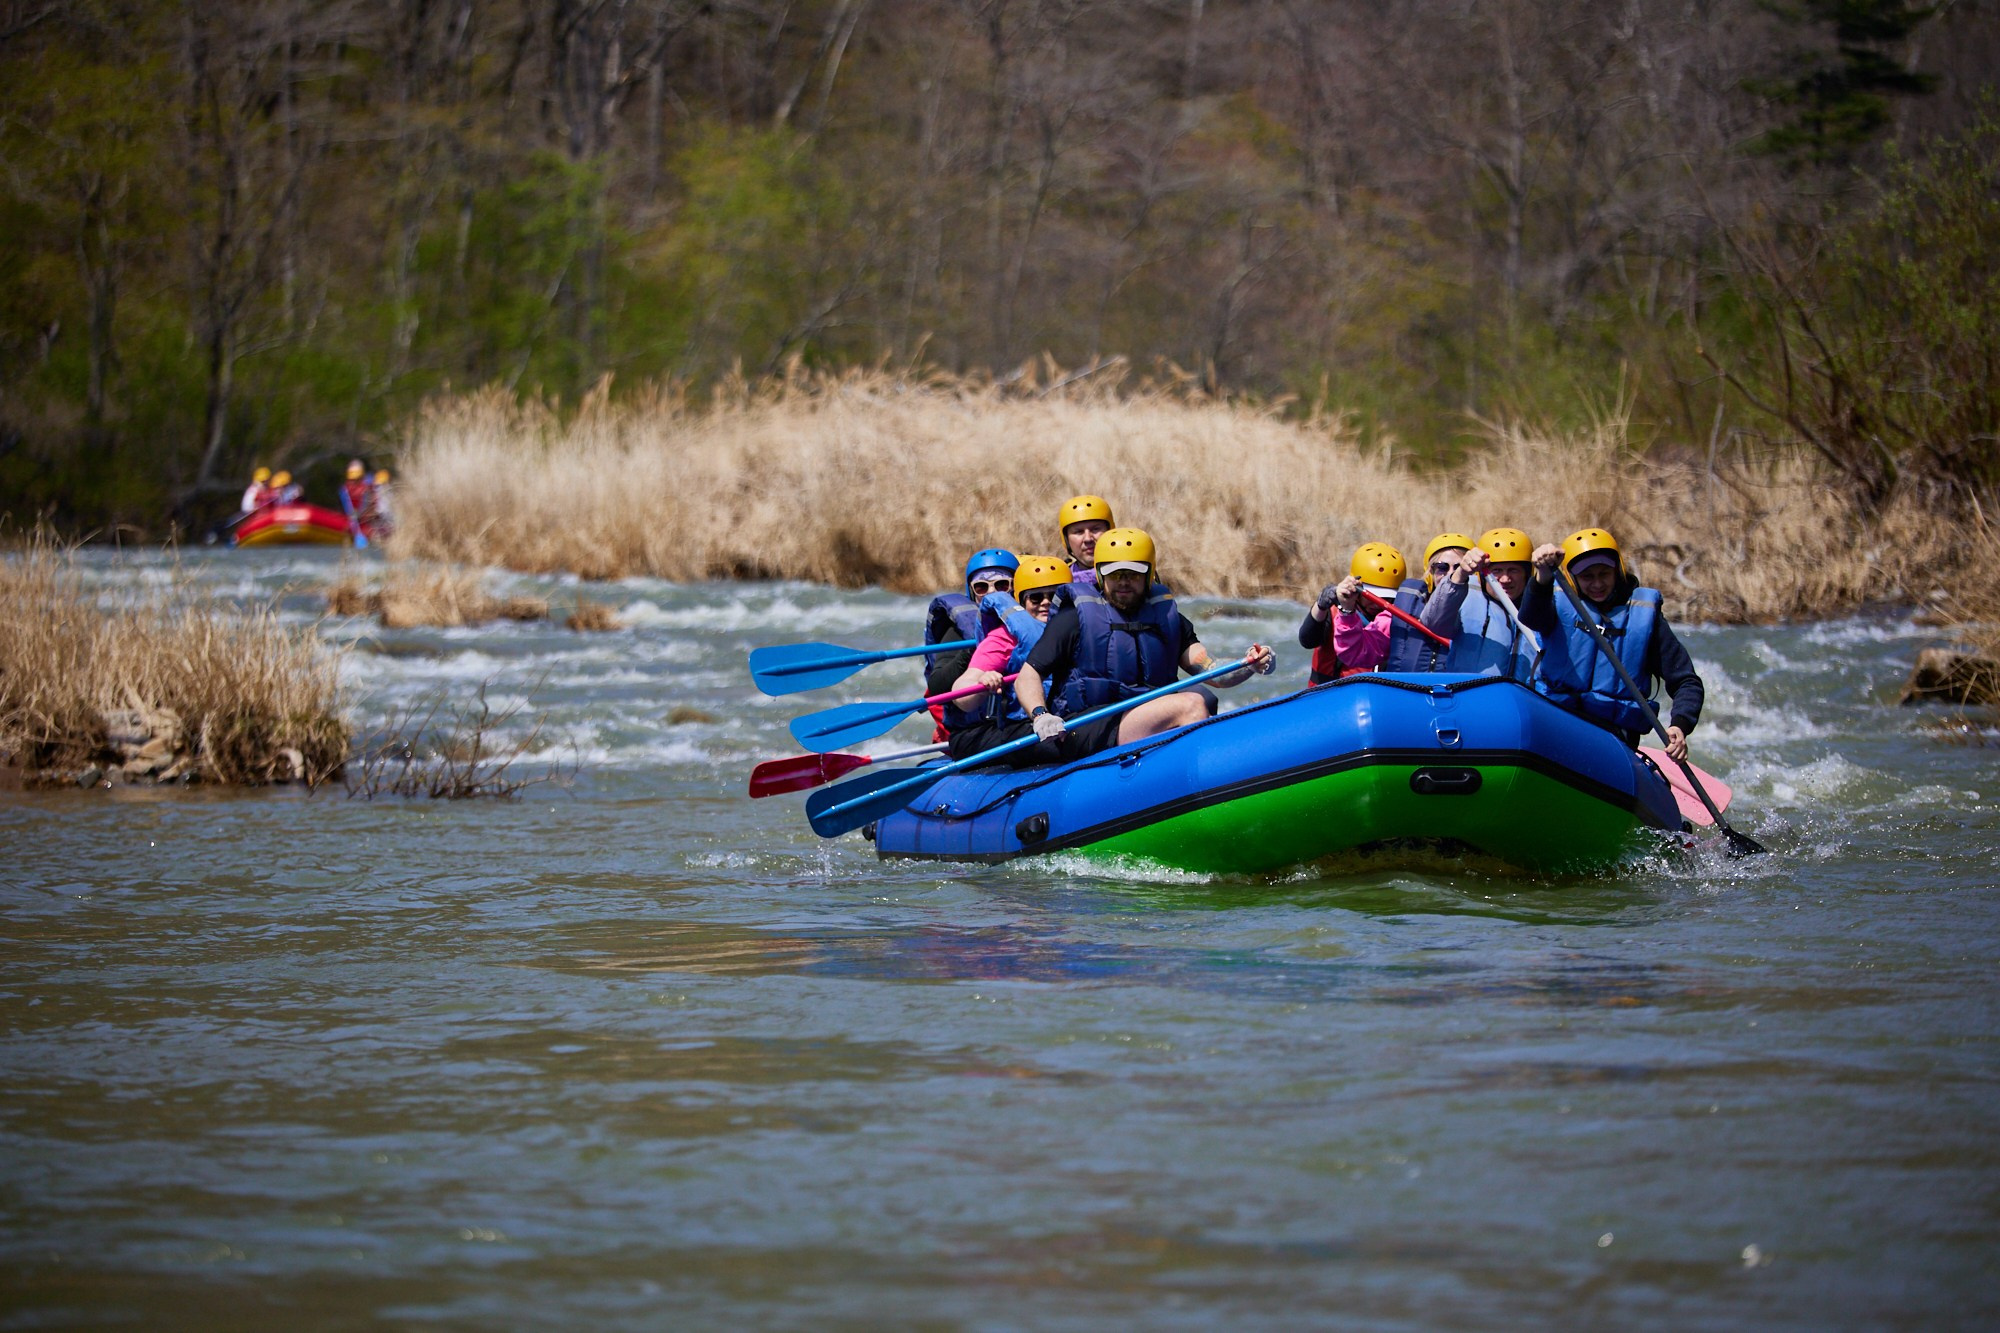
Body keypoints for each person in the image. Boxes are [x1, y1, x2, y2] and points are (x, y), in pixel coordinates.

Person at [1013, 528, 1274, 762]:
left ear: (1149, 574)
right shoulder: (1075, 619)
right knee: (1191, 705)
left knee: (1203, 695)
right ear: (1101, 576)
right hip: (1087, 725)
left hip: (1142, 715)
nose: (1123, 582)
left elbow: (1214, 673)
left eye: (1132, 574)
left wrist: (1250, 664)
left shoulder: (1168, 620)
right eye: (1115, 574)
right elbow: (1027, 677)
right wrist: (1040, 715)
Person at [1519, 527, 1704, 761]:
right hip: (1559, 722)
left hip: (1614, 736)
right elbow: (1530, 617)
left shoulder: (1645, 618)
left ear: (1618, 571)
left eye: (1604, 574)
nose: (1597, 584)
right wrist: (1543, 575)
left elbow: (1686, 681)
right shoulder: (1556, 602)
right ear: (1573, 578)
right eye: (1587, 576)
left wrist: (1680, 724)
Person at [941, 555, 1073, 759]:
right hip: (1025, 723)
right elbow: (962, 693)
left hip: (1071, 714)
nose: (1046, 603)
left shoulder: (1084, 627)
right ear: (1021, 601)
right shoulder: (1003, 638)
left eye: (1054, 597)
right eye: (1036, 598)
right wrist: (982, 681)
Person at [923, 549, 1019, 736]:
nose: (992, 593)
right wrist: (977, 650)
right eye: (982, 587)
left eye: (1002, 585)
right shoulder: (958, 630)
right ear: (972, 592)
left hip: (1019, 720)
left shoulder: (1033, 618)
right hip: (977, 730)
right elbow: (936, 687)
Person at [1299, 542, 1410, 682]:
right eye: (1372, 596)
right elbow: (1307, 640)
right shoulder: (1335, 611)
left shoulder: (1399, 620)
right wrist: (1320, 606)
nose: (1378, 603)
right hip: (1329, 697)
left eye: (1387, 597)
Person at [1056, 495, 1114, 590]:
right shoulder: (1057, 583)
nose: (1088, 539)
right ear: (1066, 539)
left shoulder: (1134, 575)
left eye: (1095, 529)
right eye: (1078, 532)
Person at [368, 469, 395, 535]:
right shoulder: (387, 492)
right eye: (378, 486)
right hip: (382, 521)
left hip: (386, 521)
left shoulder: (388, 493)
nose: (379, 488)